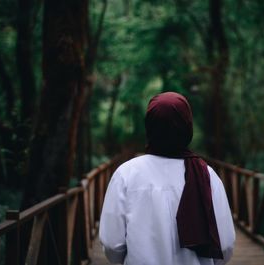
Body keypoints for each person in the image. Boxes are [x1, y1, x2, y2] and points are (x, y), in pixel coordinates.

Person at [99, 92, 235, 265]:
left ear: (150, 126)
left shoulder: (126, 174)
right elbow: (225, 245)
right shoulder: (207, 175)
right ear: (187, 126)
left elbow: (112, 244)